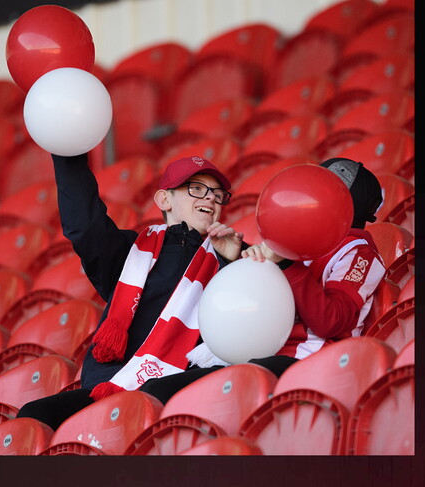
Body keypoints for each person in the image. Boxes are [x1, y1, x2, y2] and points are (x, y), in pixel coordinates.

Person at [15, 153, 244, 430]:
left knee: (153, 395)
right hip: (111, 385)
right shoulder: (129, 253)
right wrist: (69, 155)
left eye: (218, 194)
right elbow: (85, 226)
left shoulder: (234, 255)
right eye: (196, 188)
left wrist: (233, 265)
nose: (210, 198)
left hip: (183, 384)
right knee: (35, 415)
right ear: (164, 200)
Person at [137, 157, 387, 403]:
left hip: (306, 361)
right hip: (258, 353)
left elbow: (331, 322)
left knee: (166, 395)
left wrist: (286, 261)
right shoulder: (294, 238)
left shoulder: (359, 251)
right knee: (154, 390)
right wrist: (238, 260)